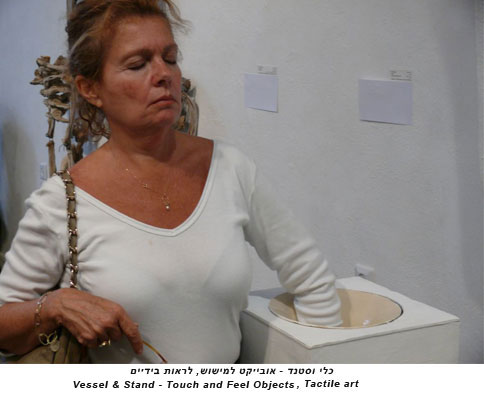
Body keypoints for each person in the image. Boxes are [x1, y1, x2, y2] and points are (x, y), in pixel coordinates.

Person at [0, 0, 341, 364]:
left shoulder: (229, 168)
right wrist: (55, 305)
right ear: (91, 88)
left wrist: (325, 368)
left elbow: (311, 277)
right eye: (138, 64)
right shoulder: (62, 201)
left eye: (170, 58)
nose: (164, 74)